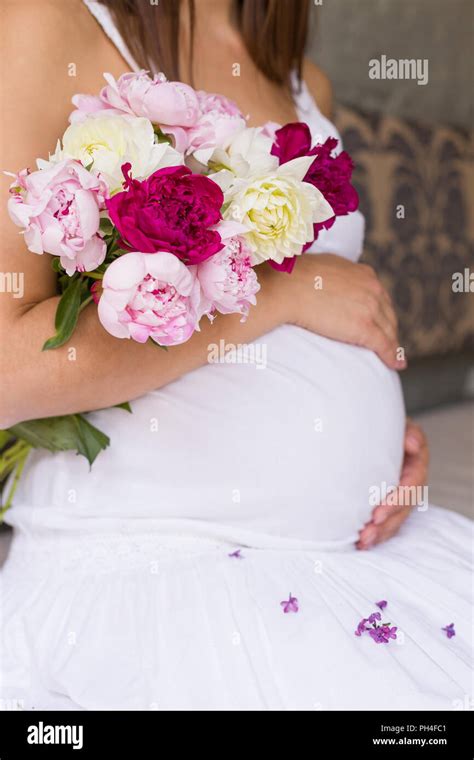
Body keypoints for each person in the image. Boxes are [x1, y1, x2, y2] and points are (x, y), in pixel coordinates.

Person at [0, 0, 470, 710]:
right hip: (162, 566)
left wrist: (378, 439)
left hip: (357, 550)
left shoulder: (301, 76)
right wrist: (279, 293)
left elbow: (334, 315)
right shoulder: (48, 20)